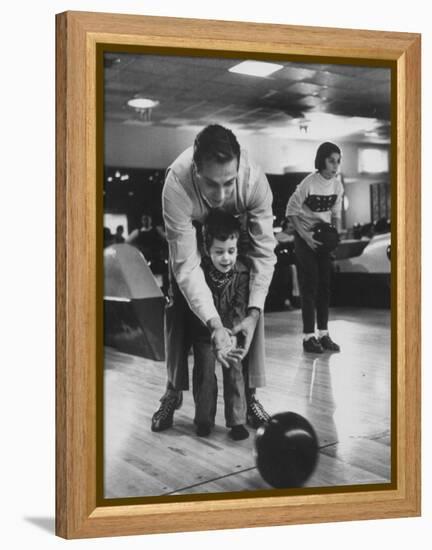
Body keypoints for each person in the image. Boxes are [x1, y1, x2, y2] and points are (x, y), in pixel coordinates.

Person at [151, 124, 276, 432]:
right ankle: (172, 391)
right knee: (177, 303)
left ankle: (250, 397)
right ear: (196, 171)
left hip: (233, 238)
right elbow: (187, 268)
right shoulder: (176, 185)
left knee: (251, 306)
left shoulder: (255, 182)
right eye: (211, 185)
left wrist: (253, 313)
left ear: (239, 169)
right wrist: (215, 325)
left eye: (228, 183)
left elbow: (263, 254)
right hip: (194, 243)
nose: (220, 195)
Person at [189, 210, 250, 440]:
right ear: (207, 250)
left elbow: (240, 306)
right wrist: (212, 330)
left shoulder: (242, 272)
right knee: (204, 373)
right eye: (219, 252)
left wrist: (232, 332)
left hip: (231, 333)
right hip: (205, 333)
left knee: (234, 370)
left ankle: (237, 421)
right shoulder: (199, 272)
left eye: (231, 251)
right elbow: (196, 303)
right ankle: (204, 420)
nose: (226, 258)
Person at [286, 142, 344, 354]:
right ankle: (308, 337)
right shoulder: (308, 183)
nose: (335, 166)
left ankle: (323, 334)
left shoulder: (337, 186)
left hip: (323, 237)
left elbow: (336, 216)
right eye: (331, 161)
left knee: (325, 286)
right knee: (309, 285)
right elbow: (290, 211)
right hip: (304, 237)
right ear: (322, 161)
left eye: (338, 161)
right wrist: (305, 236)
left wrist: (334, 241)